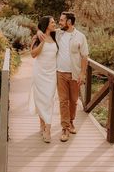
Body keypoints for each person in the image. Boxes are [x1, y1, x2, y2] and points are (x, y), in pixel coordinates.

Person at [38, 11, 89, 142]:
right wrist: (38, 31)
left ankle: (71, 121)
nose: (59, 23)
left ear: (69, 22)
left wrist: (83, 74)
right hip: (60, 73)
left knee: (73, 101)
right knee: (63, 101)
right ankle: (65, 128)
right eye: (59, 20)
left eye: (61, 20)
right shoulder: (58, 33)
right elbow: (44, 28)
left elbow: (84, 56)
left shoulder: (80, 37)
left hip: (74, 73)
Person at [30, 16, 58, 143]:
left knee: (49, 100)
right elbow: (33, 54)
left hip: (52, 74)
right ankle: (44, 126)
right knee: (40, 99)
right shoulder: (37, 37)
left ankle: (47, 128)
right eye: (52, 22)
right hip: (39, 73)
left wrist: (38, 29)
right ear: (46, 25)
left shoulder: (56, 35)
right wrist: (42, 40)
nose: (54, 24)